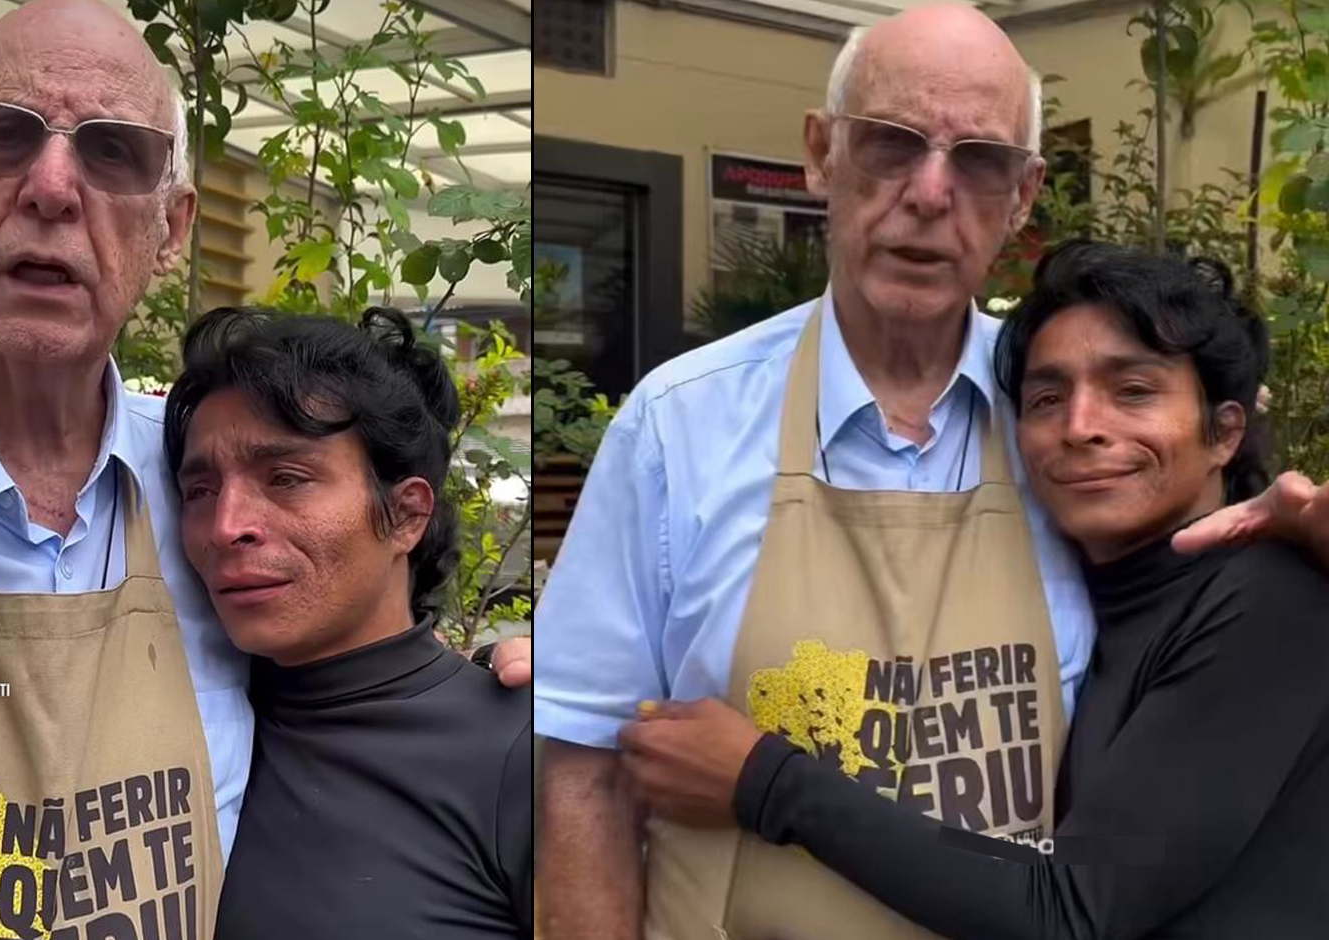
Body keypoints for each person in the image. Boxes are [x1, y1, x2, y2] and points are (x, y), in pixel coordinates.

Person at [534, 6, 1329, 940]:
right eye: (891, 143)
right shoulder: (680, 424)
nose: (929, 192)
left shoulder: (1061, 424)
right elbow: (583, 768)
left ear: (1024, 194)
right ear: (822, 154)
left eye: (980, 160)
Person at [0, 1, 529, 937]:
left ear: (172, 229)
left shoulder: (206, 486)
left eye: (114, 153)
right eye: (4, 135)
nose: (51, 188)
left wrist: (515, 697)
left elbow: (359, 681)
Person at [618, 241, 1329, 938]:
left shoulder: (1265, 603)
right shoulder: (1102, 591)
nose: (1081, 426)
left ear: (1223, 432)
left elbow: (1069, 903)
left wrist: (767, 782)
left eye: (1133, 391)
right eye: (1047, 398)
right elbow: (1032, 862)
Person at [164, 306, 532, 939]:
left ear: (406, 515)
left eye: (286, 478)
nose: (226, 527)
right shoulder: (184, 714)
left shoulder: (521, 749)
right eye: (200, 491)